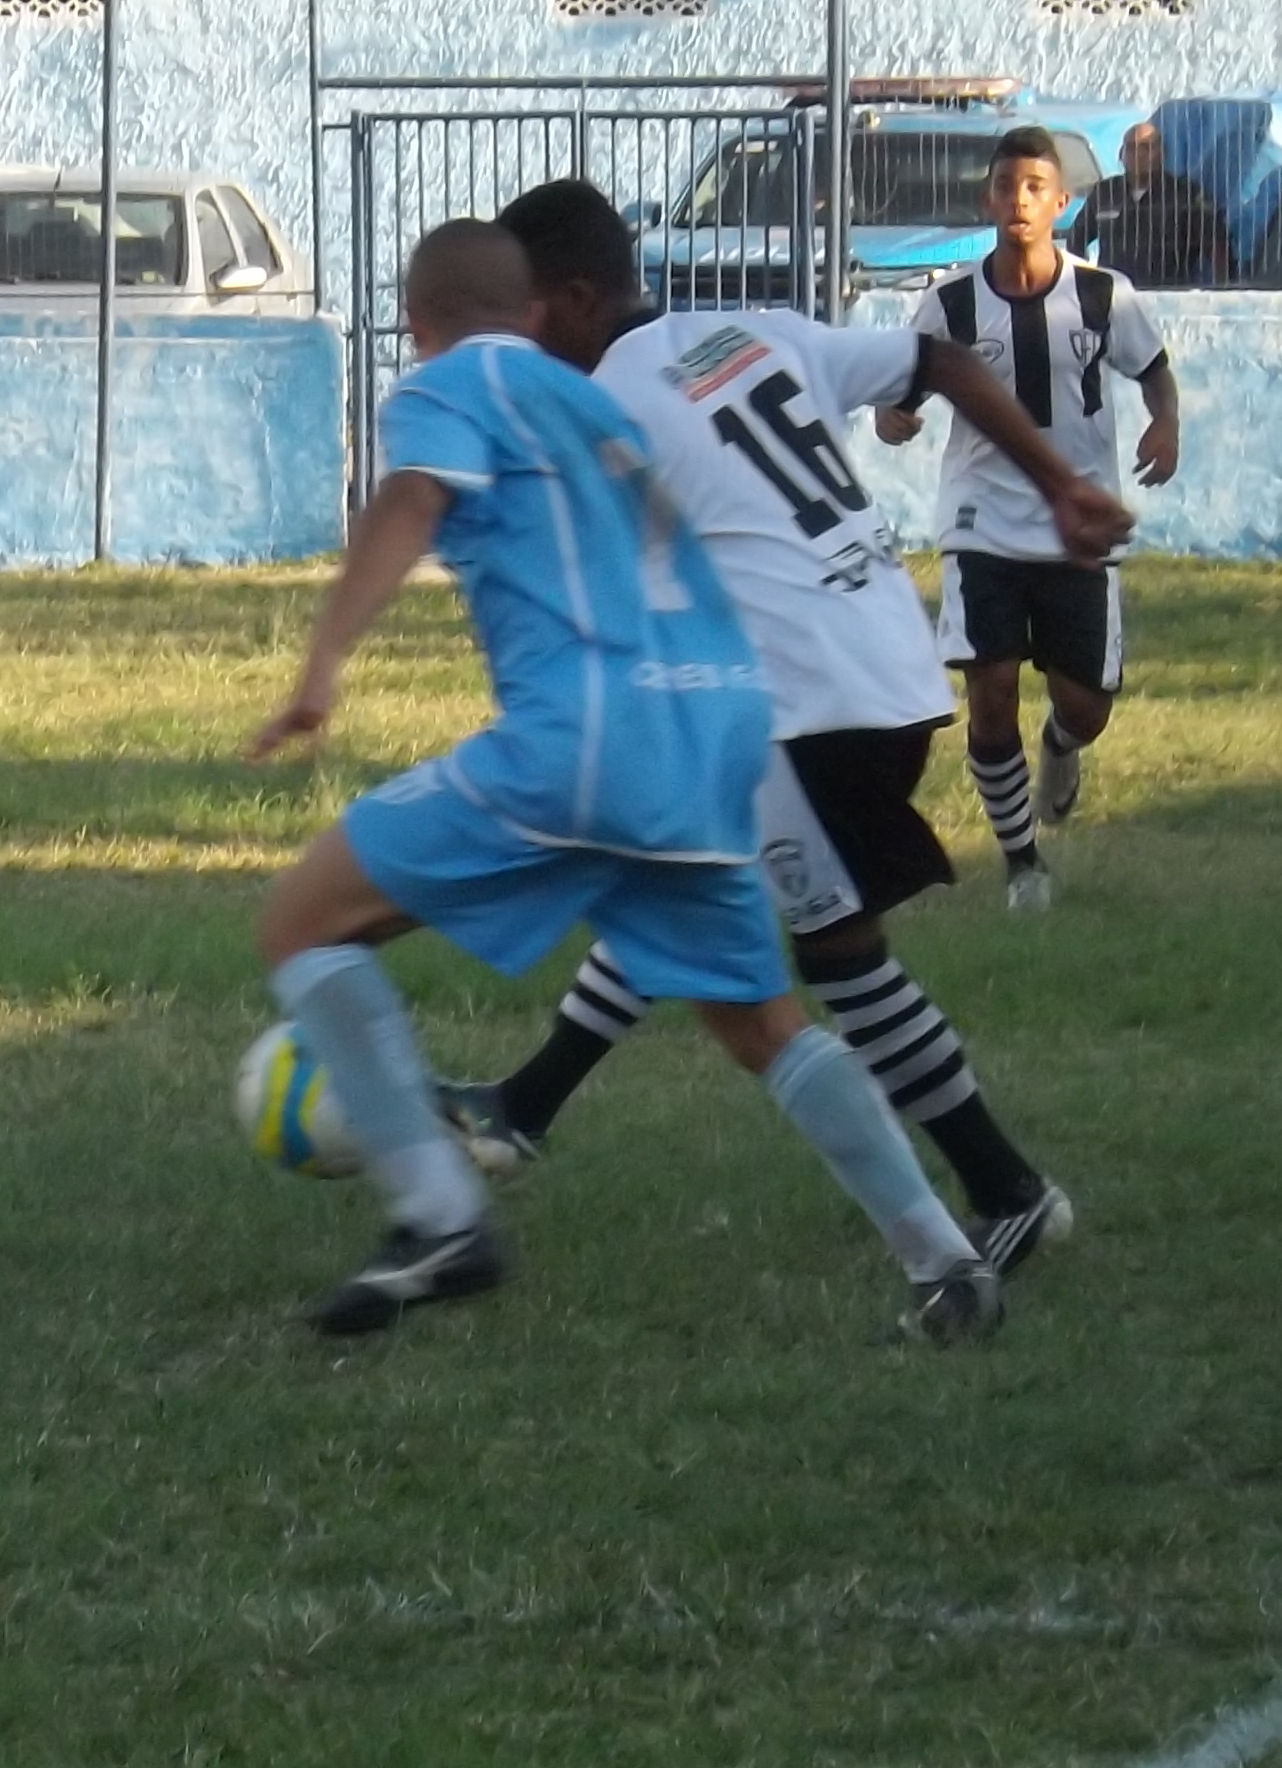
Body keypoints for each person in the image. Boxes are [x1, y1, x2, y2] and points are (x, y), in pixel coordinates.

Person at [243, 221, 1001, 1345]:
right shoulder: (594, 402)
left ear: (417, 319)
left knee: (302, 922)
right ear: (534, 308)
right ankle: (946, 1262)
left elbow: (411, 500)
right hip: (713, 723)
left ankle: (439, 1216)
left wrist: (321, 664)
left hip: (584, 732)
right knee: (764, 1027)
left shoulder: (448, 384)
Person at [449, 176, 1132, 1277]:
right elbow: (943, 363)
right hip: (882, 672)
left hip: (797, 706)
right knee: (672, 875)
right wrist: (1054, 483)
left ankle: (1006, 1191)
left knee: (839, 960)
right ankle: (522, 1108)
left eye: (519, 314)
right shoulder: (752, 330)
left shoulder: (604, 410)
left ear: (572, 300)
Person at [873, 124, 1179, 912]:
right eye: (1007, 186)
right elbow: (897, 396)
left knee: (1086, 706)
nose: (1019, 201)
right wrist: (891, 422)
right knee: (992, 690)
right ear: (989, 198)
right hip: (980, 523)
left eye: (1035, 188)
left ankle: (1061, 746)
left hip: (1075, 526)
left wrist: (1164, 422)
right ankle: (1022, 864)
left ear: (1062, 202)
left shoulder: (1105, 295)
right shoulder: (947, 303)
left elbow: (1154, 372)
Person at [1077, 120, 1236, 290]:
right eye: (1131, 147)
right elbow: (1076, 240)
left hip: (1165, 302)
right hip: (1114, 298)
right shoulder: (1105, 193)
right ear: (1121, 154)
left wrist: (1222, 293)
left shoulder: (1184, 195)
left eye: (1146, 147)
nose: (1138, 154)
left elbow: (1216, 248)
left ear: (1162, 153)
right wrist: (1084, 284)